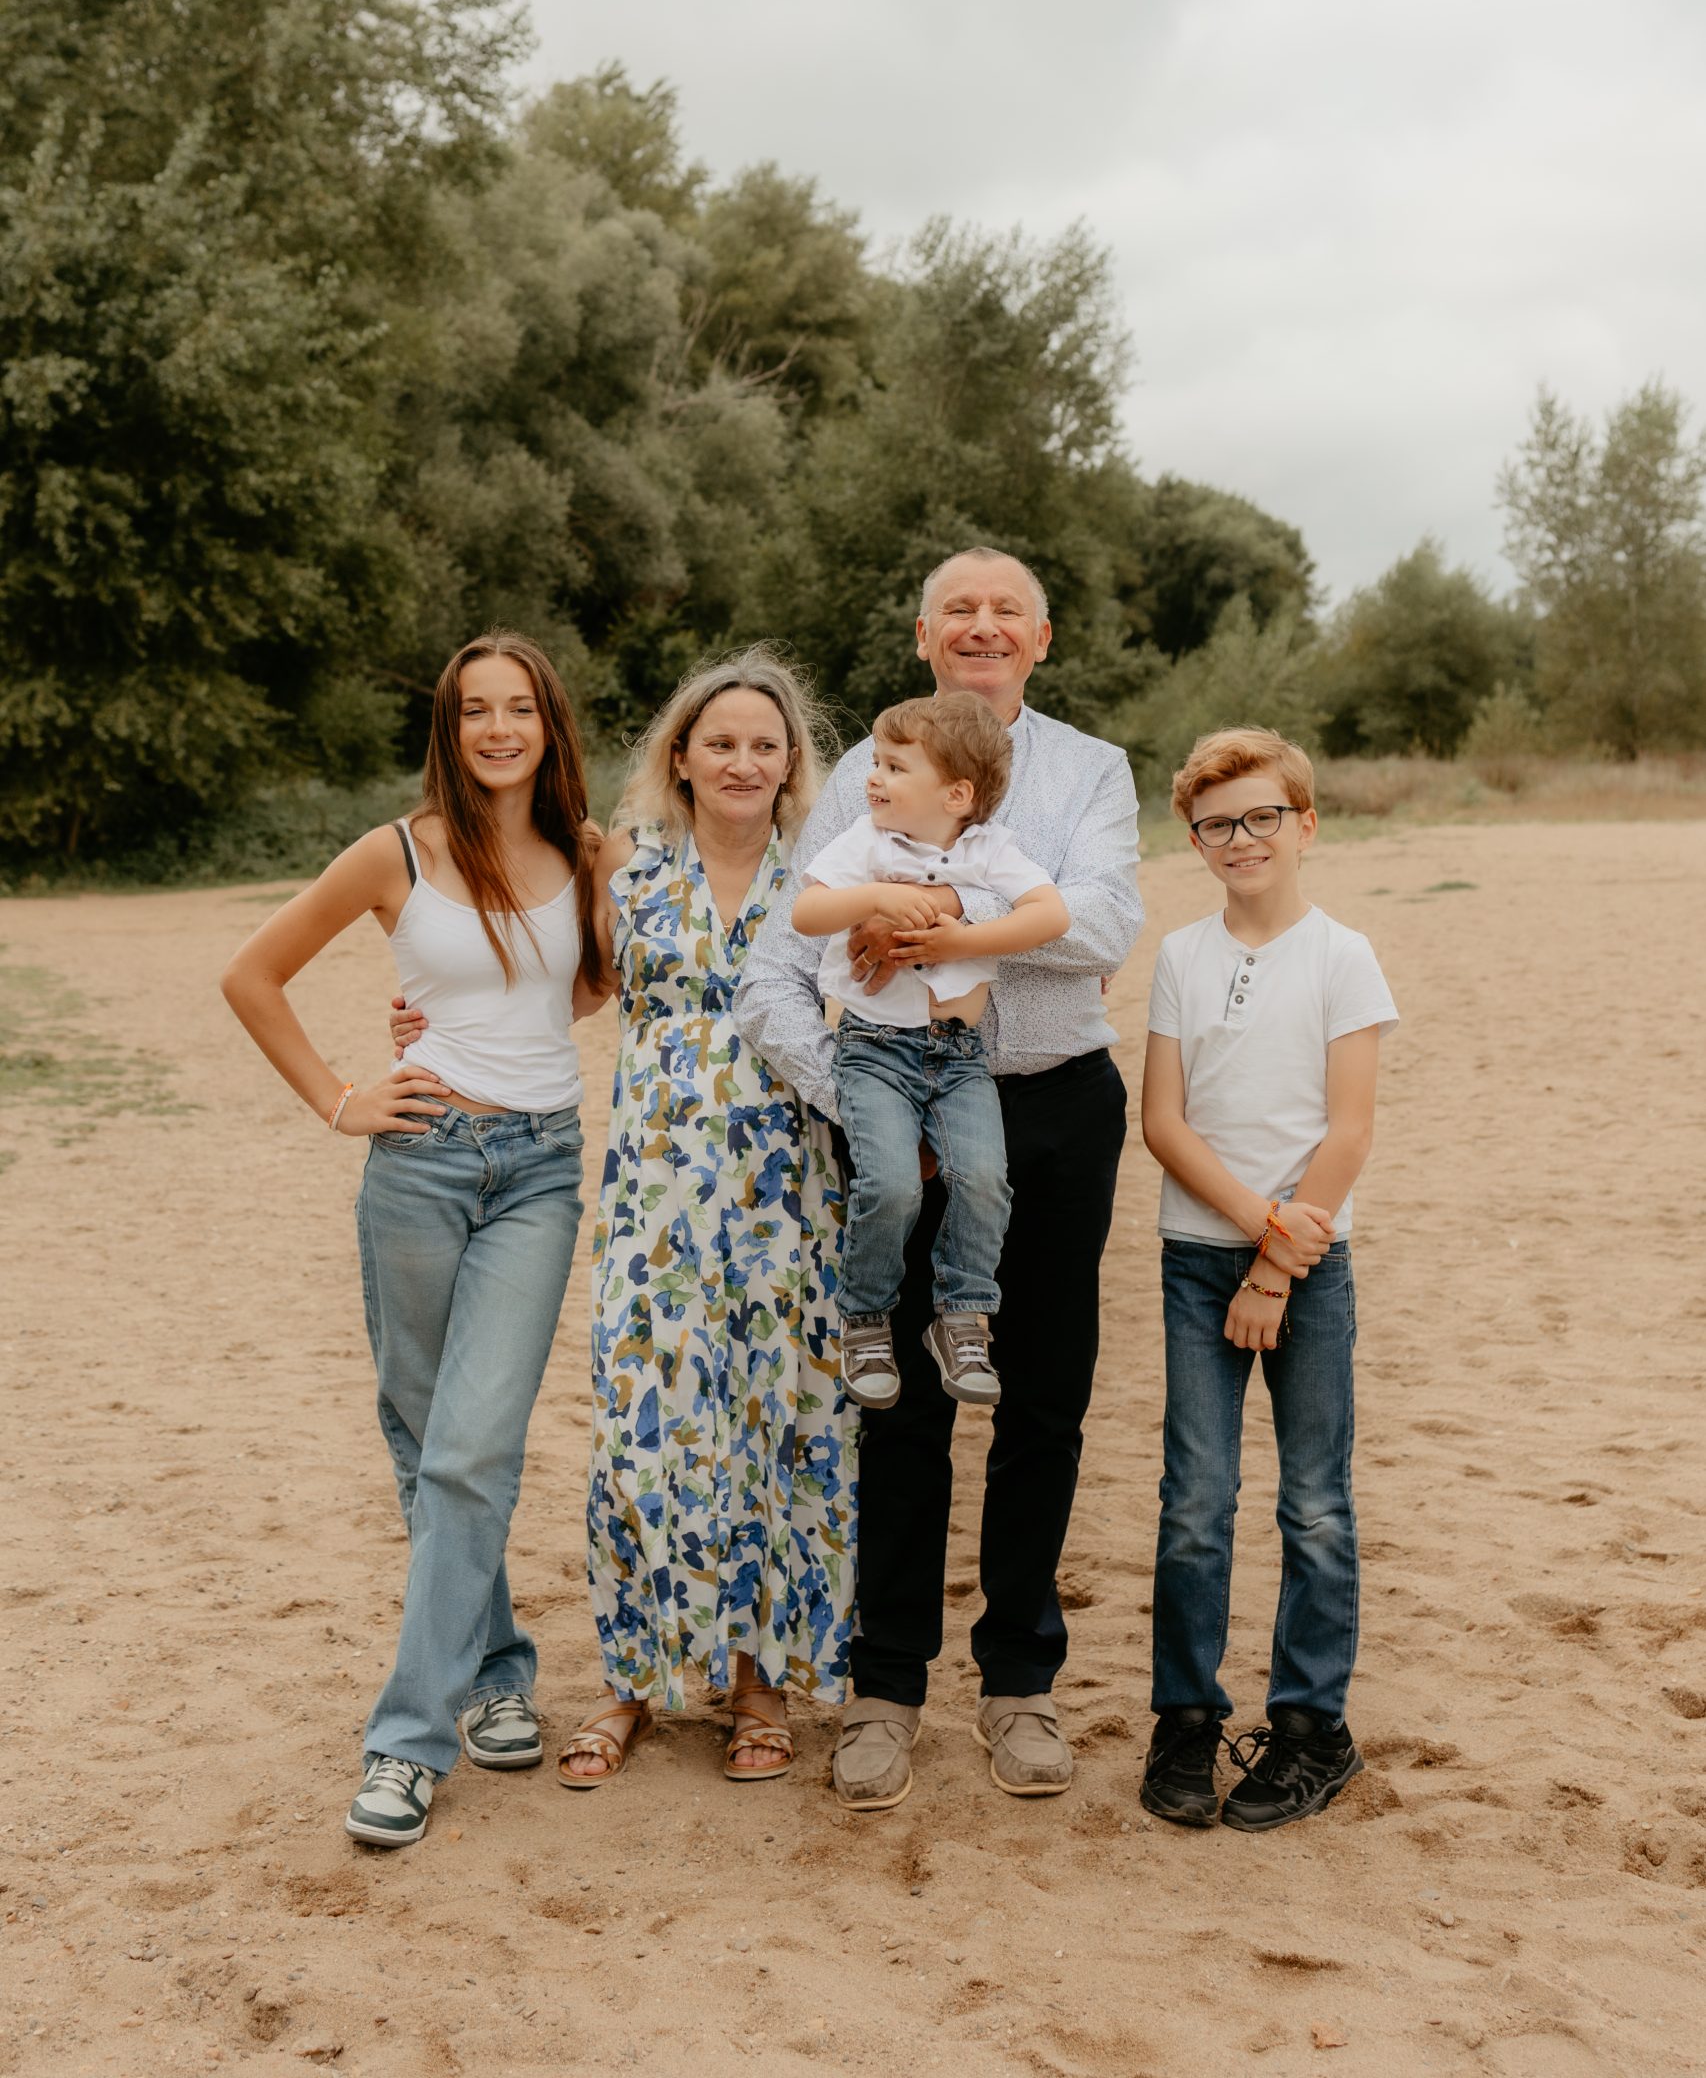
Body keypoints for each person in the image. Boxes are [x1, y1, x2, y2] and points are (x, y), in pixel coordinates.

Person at [391, 649, 855, 1787]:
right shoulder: (624, 864)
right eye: (720, 741)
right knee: (647, 1427)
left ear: (791, 761)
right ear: (682, 759)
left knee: (777, 1423)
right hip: (655, 1195)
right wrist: (429, 1026)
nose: (743, 759)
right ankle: (638, 1677)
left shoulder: (834, 875)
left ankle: (757, 1681)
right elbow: (565, 985)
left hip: (794, 1197)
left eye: (764, 742)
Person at [738, 548, 1140, 1810]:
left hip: (1055, 1106)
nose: (981, 625)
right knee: (898, 1405)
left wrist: (934, 925)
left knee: (1042, 1400)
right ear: (922, 633)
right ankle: (885, 1685)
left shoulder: (1092, 771)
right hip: (890, 1105)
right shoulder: (864, 771)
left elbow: (1101, 927)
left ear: (1041, 637)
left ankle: (1018, 1680)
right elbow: (779, 959)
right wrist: (854, 1108)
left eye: (1004, 610)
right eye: (957, 609)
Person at [221, 633, 600, 1849]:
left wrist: (485, 1019)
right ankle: (495, 1669)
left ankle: (405, 1742)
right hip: (419, 1166)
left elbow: (581, 989)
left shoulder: (584, 852)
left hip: (538, 1170)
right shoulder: (393, 852)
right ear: (451, 726)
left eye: (520, 708)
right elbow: (252, 974)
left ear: (549, 724)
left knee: (469, 1445)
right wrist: (344, 1098)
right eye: (476, 710)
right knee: (429, 1437)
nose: (499, 728)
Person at [1138, 727, 1397, 1833]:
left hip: (1307, 1268)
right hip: (1198, 1262)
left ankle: (1307, 1730)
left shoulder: (1343, 955)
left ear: (1303, 823)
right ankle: (1185, 1720)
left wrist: (1277, 1264)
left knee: (1314, 1505)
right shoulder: (1180, 957)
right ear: (1192, 839)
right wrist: (1246, 1233)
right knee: (1195, 1503)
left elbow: (1346, 1134)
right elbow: (1161, 1120)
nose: (1238, 839)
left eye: (1259, 817)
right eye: (1214, 824)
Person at [792, 692, 1068, 1412]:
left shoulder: (990, 850)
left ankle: (962, 1318)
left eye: (893, 765)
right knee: (891, 1185)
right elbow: (807, 911)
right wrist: (874, 897)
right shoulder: (866, 842)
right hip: (874, 1050)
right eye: (875, 763)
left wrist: (959, 936)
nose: (873, 778)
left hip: (960, 1054)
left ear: (956, 793)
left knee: (983, 1178)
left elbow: (1051, 914)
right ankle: (865, 1320)